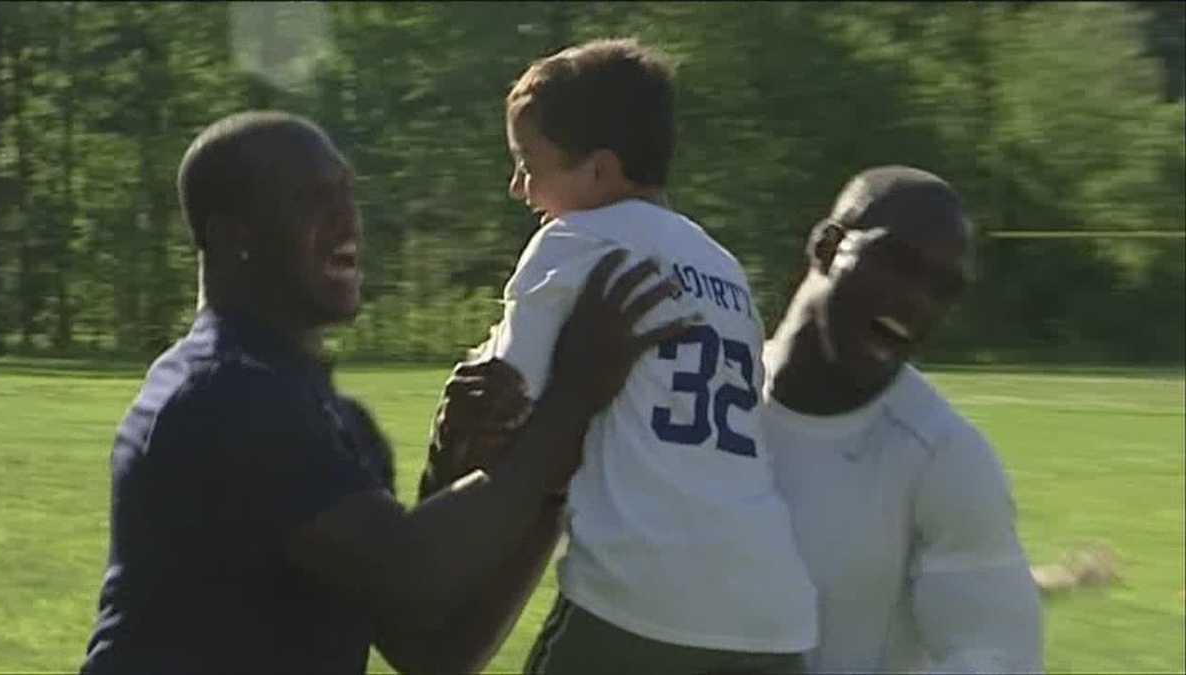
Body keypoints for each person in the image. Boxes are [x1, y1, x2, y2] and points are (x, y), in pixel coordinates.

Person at [80, 110, 689, 675]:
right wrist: (571, 400)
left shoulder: (331, 417)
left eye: (347, 194)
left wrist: (544, 485)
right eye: (311, 199)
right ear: (234, 235)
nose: (348, 219)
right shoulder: (221, 393)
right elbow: (411, 573)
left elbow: (432, 650)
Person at [429, 38, 817, 675]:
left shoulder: (574, 239)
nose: (518, 186)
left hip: (643, 595)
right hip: (771, 611)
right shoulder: (725, 270)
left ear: (600, 172)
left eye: (530, 163)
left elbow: (504, 402)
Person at [760, 165, 1044, 673]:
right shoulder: (713, 401)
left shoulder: (944, 457)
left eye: (944, 289)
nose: (918, 300)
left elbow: (997, 657)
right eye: (897, 262)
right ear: (826, 247)